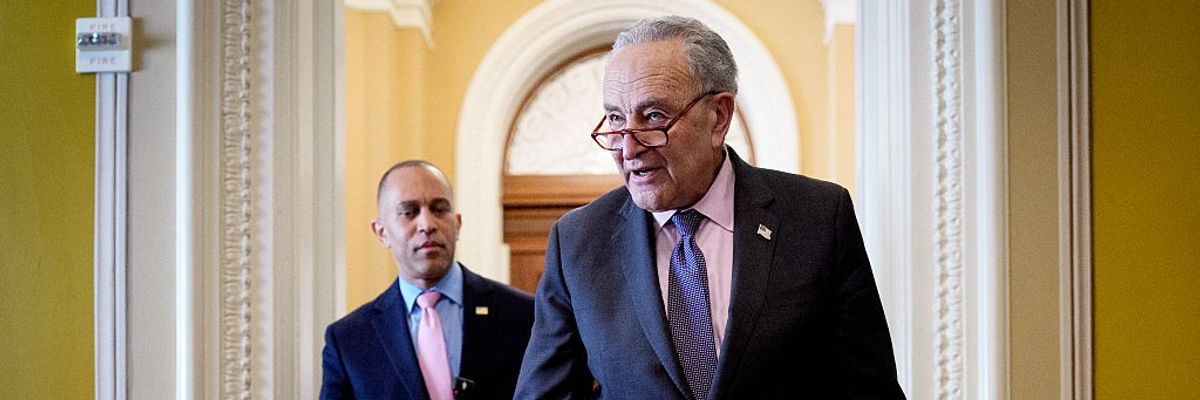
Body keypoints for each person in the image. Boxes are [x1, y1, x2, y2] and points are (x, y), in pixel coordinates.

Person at [514, 16, 905, 399]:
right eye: (616, 118)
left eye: (653, 117)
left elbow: (869, 389)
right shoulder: (579, 242)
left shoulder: (817, 217)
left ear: (719, 117)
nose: (629, 149)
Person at [321, 160, 534, 400]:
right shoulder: (350, 341)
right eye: (408, 213)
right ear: (382, 232)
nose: (427, 224)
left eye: (439, 209)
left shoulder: (523, 315)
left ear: (457, 224)